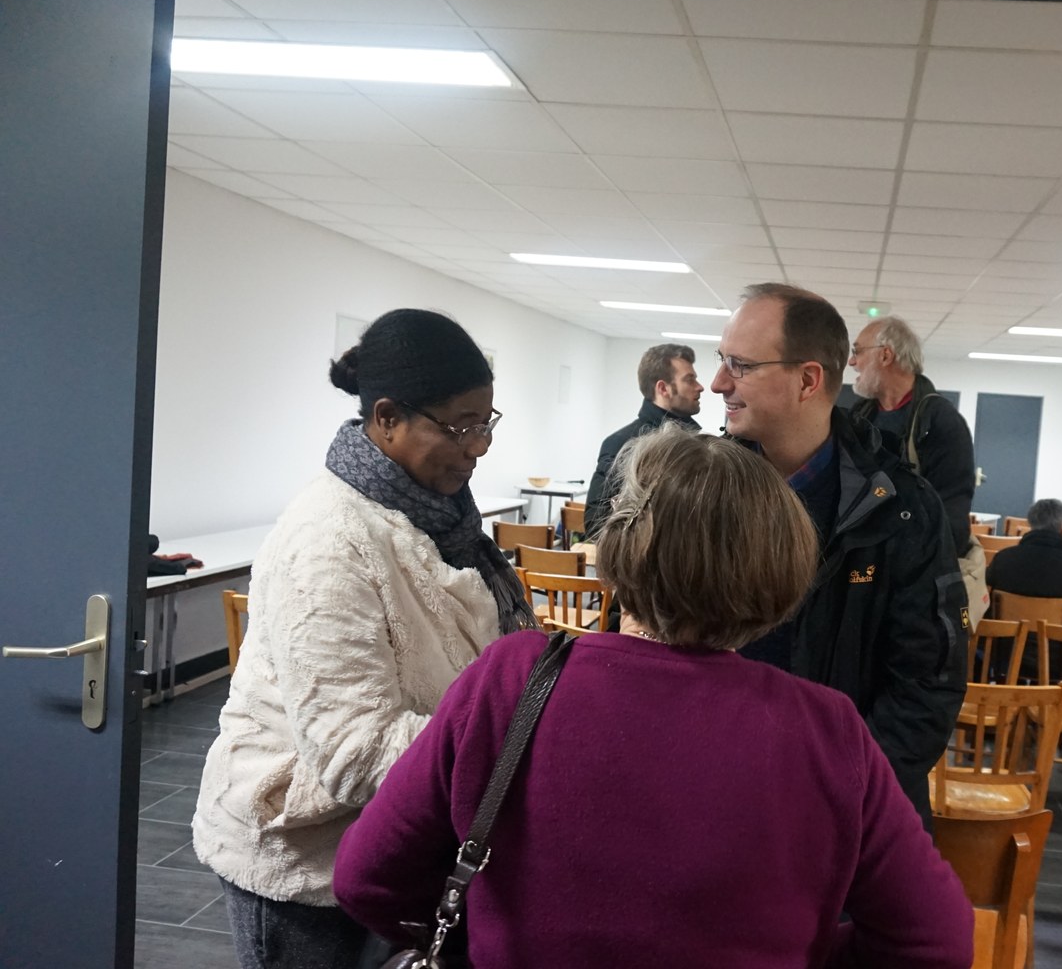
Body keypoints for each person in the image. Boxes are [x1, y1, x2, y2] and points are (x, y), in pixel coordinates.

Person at [333, 427, 973, 968]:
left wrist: (488, 936)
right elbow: (937, 942)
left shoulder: (514, 679)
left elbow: (368, 878)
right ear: (783, 569)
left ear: (619, 543)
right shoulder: (827, 730)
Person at [193, 309, 536, 969]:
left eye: (486, 422)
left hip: (389, 848)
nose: (480, 446)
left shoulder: (439, 518)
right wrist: (513, 737)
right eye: (461, 426)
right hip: (306, 864)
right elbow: (353, 752)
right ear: (386, 418)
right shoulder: (327, 540)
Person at [711, 283, 969, 827]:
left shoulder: (903, 509)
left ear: (808, 380)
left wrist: (832, 791)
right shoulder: (700, 491)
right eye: (721, 360)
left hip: (843, 813)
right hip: (716, 796)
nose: (718, 383)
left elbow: (925, 688)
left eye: (740, 365)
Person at [848, 316, 987, 627]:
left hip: (916, 584)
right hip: (862, 572)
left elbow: (950, 519)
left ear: (886, 355)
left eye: (857, 351)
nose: (851, 362)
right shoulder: (860, 416)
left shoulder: (941, 422)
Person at [582, 342, 702, 538]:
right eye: (689, 380)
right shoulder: (621, 444)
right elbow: (596, 523)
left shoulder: (698, 444)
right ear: (663, 388)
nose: (700, 387)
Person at [987, 498, 1062, 676]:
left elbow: (983, 605)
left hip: (1005, 658)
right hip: (1061, 665)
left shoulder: (1003, 560)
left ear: (1031, 525)